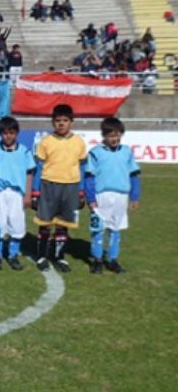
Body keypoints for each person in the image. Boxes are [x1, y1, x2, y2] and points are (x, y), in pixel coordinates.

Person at [31, 104, 87, 273]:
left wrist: (81, 191)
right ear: (52, 122)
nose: (61, 124)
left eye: (65, 120)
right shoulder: (46, 141)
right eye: (58, 121)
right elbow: (39, 168)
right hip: (49, 185)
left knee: (63, 225)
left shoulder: (79, 142)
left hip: (70, 187)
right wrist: (35, 192)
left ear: (71, 122)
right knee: (45, 223)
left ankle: (59, 257)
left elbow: (83, 168)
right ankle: (41, 256)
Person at [85, 117, 141, 274]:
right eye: (110, 135)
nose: (114, 138)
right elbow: (89, 177)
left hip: (121, 196)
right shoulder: (95, 153)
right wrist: (91, 198)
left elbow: (134, 175)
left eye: (117, 135)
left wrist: (134, 196)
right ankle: (97, 260)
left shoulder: (127, 152)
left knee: (116, 229)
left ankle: (112, 259)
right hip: (101, 196)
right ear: (104, 136)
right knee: (98, 229)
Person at [0, 117, 36, 270]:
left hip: (17, 195)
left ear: (17, 133)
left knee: (17, 224)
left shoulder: (24, 152)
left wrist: (27, 195)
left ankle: (13, 255)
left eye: (11, 133)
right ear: (0, 134)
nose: (8, 136)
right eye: (5, 133)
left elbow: (29, 174)